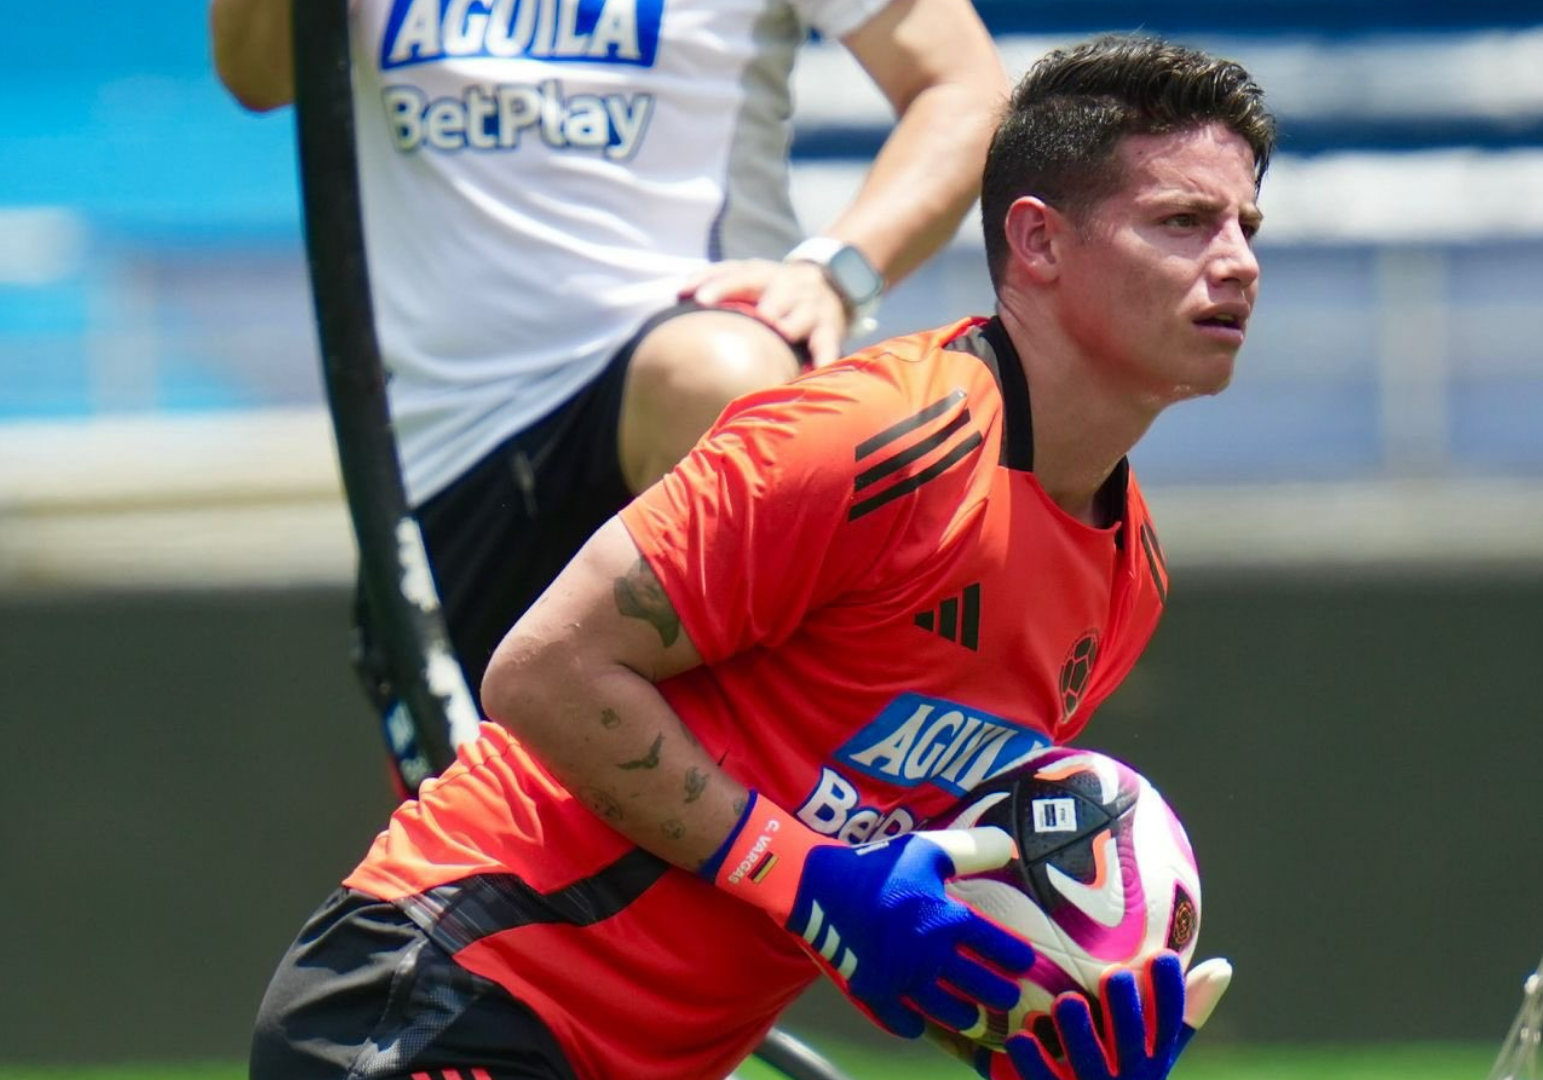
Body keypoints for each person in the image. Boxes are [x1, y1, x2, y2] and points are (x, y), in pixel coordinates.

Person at [251, 32, 1272, 1080]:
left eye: (1246, 225)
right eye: (1184, 223)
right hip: (441, 1002)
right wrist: (812, 885)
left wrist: (1030, 1036)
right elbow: (540, 671)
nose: (1237, 260)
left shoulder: (1126, 577)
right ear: (1038, 243)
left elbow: (882, 880)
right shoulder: (868, 440)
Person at [209, 0, 1010, 793]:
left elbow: (963, 87)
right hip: (447, 452)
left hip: (688, 372)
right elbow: (259, 72)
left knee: (715, 377)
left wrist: (837, 272)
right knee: (484, 876)